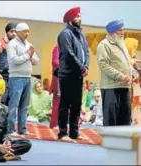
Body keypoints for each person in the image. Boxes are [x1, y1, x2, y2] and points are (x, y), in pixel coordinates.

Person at [97, 20, 139, 126]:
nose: (123, 32)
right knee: (111, 119)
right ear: (113, 32)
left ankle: (122, 142)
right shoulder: (104, 45)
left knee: (125, 119)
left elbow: (128, 61)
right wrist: (119, 76)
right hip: (111, 87)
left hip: (125, 87)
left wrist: (133, 72)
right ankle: (110, 141)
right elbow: (103, 65)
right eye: (120, 30)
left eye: (123, 29)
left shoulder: (122, 45)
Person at [57, 7, 90, 141]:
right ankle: (63, 133)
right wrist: (81, 67)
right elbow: (68, 54)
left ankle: (74, 133)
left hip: (78, 74)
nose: (80, 19)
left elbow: (86, 52)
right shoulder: (65, 34)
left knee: (77, 104)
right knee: (65, 104)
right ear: (70, 20)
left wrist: (86, 66)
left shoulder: (81, 34)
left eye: (80, 16)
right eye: (77, 17)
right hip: (67, 74)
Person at [7, 22, 40, 137]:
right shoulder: (12, 44)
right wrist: (27, 55)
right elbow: (13, 60)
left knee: (25, 105)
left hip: (27, 77)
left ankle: (23, 129)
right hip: (16, 77)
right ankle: (11, 129)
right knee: (14, 104)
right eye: (25, 31)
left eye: (28, 31)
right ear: (18, 32)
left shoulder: (29, 45)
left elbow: (36, 60)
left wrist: (31, 56)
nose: (27, 34)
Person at [0, 22, 17, 105]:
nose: (14, 34)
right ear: (7, 32)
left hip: (14, 75)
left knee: (12, 100)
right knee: (2, 99)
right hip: (3, 75)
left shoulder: (18, 44)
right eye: (12, 31)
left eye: (16, 32)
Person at [125, 38, 141, 126]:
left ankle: (136, 121)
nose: (136, 48)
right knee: (131, 104)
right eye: (135, 47)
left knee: (136, 104)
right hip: (130, 85)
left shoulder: (132, 59)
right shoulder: (126, 59)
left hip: (135, 85)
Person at [49, 45, 60, 128]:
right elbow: (55, 62)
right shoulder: (57, 48)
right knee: (57, 101)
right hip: (59, 77)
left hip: (70, 77)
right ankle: (55, 123)